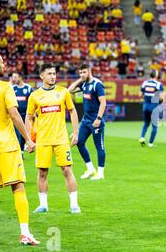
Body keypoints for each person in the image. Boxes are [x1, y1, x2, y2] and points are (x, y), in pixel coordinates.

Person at [0, 50, 39, 246]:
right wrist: (29, 140)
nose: (4, 65)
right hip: (6, 145)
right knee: (18, 186)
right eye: (2, 62)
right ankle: (24, 233)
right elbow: (14, 115)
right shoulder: (5, 87)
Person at [25, 63, 81, 214]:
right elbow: (29, 118)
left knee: (67, 170)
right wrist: (29, 140)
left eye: (54, 73)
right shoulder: (35, 96)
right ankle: (43, 205)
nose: (53, 76)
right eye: (49, 73)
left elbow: (72, 111)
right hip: (43, 141)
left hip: (61, 139)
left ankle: (74, 205)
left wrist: (75, 133)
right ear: (42, 76)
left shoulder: (63, 92)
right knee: (42, 172)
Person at [68, 64, 107, 180]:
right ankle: (90, 169)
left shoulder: (97, 84)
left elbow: (103, 103)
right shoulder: (84, 84)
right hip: (86, 120)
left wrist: (99, 119)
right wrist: (80, 79)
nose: (82, 74)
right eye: (80, 73)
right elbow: (69, 90)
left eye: (84, 72)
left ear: (90, 71)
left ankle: (100, 173)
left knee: (99, 146)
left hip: (96, 121)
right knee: (79, 142)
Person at [11, 71, 34, 157]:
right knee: (18, 133)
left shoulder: (28, 88)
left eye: (15, 77)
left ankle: (22, 149)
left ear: (20, 77)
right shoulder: (12, 88)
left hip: (26, 115)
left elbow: (33, 101)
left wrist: (33, 113)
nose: (14, 79)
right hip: (16, 115)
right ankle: (20, 151)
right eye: (13, 77)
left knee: (25, 132)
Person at [139, 70, 164, 148]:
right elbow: (162, 98)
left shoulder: (145, 83)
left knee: (146, 123)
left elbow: (140, 94)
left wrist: (146, 98)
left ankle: (142, 138)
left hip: (145, 106)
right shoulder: (159, 84)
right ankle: (150, 143)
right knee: (154, 126)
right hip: (154, 107)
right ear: (156, 76)